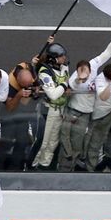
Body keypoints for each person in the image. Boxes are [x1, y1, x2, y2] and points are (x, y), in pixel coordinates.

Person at [59, 33, 111, 172]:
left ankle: (73, 169)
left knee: (78, 145)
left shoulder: (93, 66)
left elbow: (107, 53)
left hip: (86, 114)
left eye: (86, 71)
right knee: (66, 142)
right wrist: (79, 79)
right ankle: (63, 170)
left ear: (90, 68)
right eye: (81, 71)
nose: (85, 73)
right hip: (73, 111)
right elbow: (73, 85)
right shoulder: (76, 77)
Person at [32, 41, 70, 170]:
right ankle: (32, 166)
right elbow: (53, 94)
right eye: (61, 56)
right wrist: (65, 85)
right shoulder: (44, 73)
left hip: (60, 111)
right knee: (43, 142)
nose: (64, 58)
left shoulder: (64, 68)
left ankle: (45, 165)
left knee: (53, 143)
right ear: (53, 58)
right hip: (48, 111)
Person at [0, 62, 39, 171]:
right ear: (19, 82)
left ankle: (16, 168)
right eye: (25, 85)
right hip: (9, 116)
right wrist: (19, 95)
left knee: (22, 141)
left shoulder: (28, 69)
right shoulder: (9, 84)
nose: (28, 87)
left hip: (23, 114)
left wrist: (36, 89)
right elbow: (9, 107)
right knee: (6, 142)